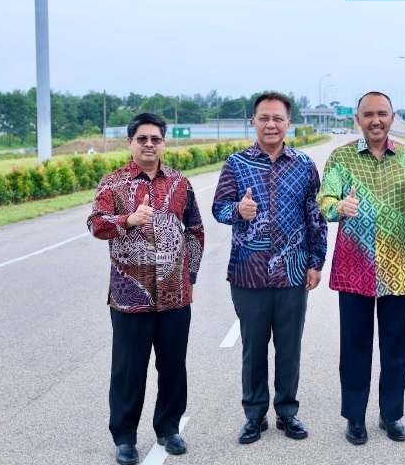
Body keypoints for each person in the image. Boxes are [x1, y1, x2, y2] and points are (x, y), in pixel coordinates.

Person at [88, 112, 205, 465]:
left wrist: (192, 278)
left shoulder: (181, 183)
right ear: (130, 143)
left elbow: (195, 231)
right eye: (142, 139)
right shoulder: (113, 184)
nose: (149, 144)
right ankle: (124, 438)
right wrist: (128, 220)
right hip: (130, 298)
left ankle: (169, 428)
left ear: (164, 143)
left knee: (173, 365)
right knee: (128, 369)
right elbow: (95, 224)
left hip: (175, 295)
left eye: (155, 139)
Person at [316, 91, 405, 445]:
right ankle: (355, 417)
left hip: (399, 269)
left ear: (392, 117)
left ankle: (391, 414)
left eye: (382, 113)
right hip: (355, 270)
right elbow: (324, 201)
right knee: (354, 349)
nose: (375, 120)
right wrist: (339, 209)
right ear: (358, 119)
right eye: (368, 114)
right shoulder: (341, 157)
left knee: (396, 348)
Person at [212, 92, 328, 445]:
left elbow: (316, 218)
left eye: (278, 118)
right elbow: (219, 208)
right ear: (254, 121)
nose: (271, 124)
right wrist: (238, 212)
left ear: (288, 122)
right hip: (248, 274)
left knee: (289, 346)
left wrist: (315, 262)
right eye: (264, 118)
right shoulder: (236, 164)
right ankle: (254, 415)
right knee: (254, 347)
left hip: (293, 273)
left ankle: (287, 412)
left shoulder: (305, 165)